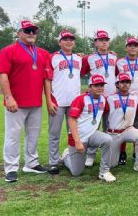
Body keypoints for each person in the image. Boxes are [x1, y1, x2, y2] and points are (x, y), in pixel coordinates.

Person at [0, 20, 50, 183]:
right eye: (28, 30)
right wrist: (8, 97)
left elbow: (58, 59)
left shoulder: (42, 53)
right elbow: (2, 74)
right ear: (19, 33)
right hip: (16, 102)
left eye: (34, 30)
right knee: (13, 135)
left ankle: (31, 163)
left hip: (35, 102)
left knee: (33, 134)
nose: (31, 33)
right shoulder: (8, 50)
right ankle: (11, 168)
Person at [61, 74, 115, 182]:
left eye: (101, 85)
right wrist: (77, 141)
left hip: (91, 135)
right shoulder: (81, 99)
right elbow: (71, 120)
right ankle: (67, 156)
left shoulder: (103, 100)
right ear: (90, 87)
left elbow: (103, 115)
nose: (100, 87)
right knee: (76, 172)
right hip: (78, 137)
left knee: (108, 139)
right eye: (96, 85)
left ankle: (104, 172)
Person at [44, 30, 82, 175]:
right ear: (60, 42)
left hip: (74, 102)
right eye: (65, 39)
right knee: (54, 133)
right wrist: (48, 100)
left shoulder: (79, 59)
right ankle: (53, 162)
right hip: (57, 101)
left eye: (71, 39)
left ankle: (73, 159)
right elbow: (47, 79)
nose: (69, 41)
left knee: (73, 133)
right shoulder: (53, 57)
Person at [81, 29, 117, 166]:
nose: (104, 42)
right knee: (93, 126)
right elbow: (82, 71)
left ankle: (108, 153)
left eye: (106, 40)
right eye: (101, 40)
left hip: (111, 97)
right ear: (95, 42)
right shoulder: (88, 58)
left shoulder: (114, 57)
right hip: (95, 97)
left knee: (109, 126)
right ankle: (90, 154)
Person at [106, 73, 138, 175]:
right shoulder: (109, 98)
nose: (125, 84)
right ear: (117, 84)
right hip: (114, 133)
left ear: (130, 84)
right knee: (112, 164)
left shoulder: (135, 98)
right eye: (122, 82)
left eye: (127, 82)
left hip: (127, 130)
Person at [116, 36, 138, 165]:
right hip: (123, 97)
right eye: (130, 45)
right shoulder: (119, 62)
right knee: (121, 125)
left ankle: (135, 153)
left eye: (135, 45)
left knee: (137, 126)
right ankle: (121, 153)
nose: (133, 47)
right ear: (126, 47)